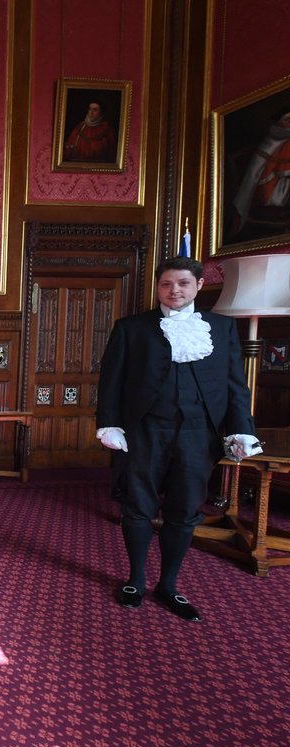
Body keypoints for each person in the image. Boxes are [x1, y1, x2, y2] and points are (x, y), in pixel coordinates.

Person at [96, 256, 262, 622]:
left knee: (185, 512)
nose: (175, 291)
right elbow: (111, 383)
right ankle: (136, 580)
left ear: (199, 286)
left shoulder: (221, 329)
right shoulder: (131, 328)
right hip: (145, 433)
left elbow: (236, 386)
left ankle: (168, 585)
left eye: (183, 284)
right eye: (167, 284)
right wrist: (109, 424)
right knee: (137, 508)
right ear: (158, 288)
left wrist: (242, 428)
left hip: (198, 435)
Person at [231, 107, 290, 229]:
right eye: (288, 119)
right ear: (279, 122)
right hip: (268, 190)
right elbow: (282, 172)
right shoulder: (279, 140)